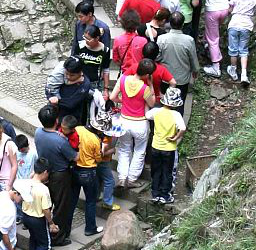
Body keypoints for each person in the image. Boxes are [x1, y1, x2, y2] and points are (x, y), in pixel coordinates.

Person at [110, 58, 157, 188]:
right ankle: (131, 179)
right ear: (147, 75)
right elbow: (152, 103)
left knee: (124, 149)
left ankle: (121, 177)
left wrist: (123, 101)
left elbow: (112, 97)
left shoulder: (123, 79)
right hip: (140, 123)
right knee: (139, 151)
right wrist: (151, 85)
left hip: (124, 121)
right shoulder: (145, 88)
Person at [146, 88, 186, 204]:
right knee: (167, 172)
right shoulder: (176, 114)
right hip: (169, 148)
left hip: (155, 146)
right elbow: (182, 128)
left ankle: (155, 194)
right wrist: (176, 137)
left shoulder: (156, 111)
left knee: (156, 171)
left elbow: (147, 115)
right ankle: (165, 195)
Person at [157, 12, 199, 113]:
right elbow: (193, 58)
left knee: (164, 102)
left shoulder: (162, 38)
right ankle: (178, 125)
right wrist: (195, 70)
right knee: (180, 103)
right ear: (183, 24)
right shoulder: (189, 40)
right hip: (182, 78)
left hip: (165, 77)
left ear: (170, 24)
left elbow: (157, 57)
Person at [74, 122, 107, 236]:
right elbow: (98, 159)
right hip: (88, 171)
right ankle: (90, 228)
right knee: (90, 201)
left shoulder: (78, 128)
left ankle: (66, 228)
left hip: (75, 168)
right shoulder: (95, 140)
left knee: (73, 200)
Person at [45, 56, 92, 122]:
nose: (68, 77)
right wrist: (50, 97)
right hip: (56, 114)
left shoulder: (85, 85)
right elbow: (50, 87)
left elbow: (71, 103)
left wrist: (57, 101)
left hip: (71, 119)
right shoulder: (60, 76)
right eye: (66, 73)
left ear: (80, 72)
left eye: (72, 75)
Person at [225, 0, 256, 84]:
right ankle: (244, 75)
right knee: (243, 50)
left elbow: (230, 10)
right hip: (246, 26)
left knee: (233, 49)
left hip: (234, 24)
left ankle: (233, 72)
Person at [73, 25, 111, 97]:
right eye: (84, 38)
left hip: (95, 83)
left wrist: (106, 89)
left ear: (97, 38)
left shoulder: (105, 50)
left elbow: (106, 69)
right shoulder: (80, 46)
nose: (86, 41)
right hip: (79, 81)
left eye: (89, 39)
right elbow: (73, 63)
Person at [113, 9, 148, 76]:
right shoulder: (143, 41)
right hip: (139, 75)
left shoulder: (118, 40)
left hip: (125, 75)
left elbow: (116, 59)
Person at [15, 134, 37, 222]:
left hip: (29, 181)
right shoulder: (17, 153)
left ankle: (27, 219)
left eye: (22, 149)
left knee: (28, 202)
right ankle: (20, 217)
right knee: (19, 201)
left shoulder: (33, 154)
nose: (21, 151)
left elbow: (36, 166)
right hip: (19, 180)